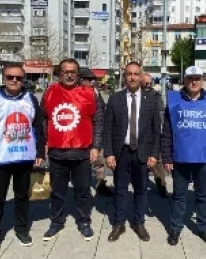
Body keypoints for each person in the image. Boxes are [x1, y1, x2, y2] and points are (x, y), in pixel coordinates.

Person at [0, 63, 46, 252]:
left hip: (24, 156)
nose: (14, 80)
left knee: (22, 196)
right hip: (1, 157)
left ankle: (22, 229)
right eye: (10, 77)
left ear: (24, 80)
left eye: (18, 78)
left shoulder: (30, 99)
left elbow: (38, 127)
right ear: (3, 78)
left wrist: (40, 152)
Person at [160, 65, 206, 246]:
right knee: (179, 196)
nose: (194, 81)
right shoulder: (174, 102)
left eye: (197, 78)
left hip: (205, 160)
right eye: (190, 78)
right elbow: (167, 132)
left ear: (202, 80)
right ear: (184, 81)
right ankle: (175, 228)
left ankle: (204, 228)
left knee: (203, 196)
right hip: (180, 159)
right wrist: (166, 157)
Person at [42, 58, 103, 240]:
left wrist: (96, 146)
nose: (69, 74)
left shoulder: (90, 93)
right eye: (65, 71)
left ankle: (84, 221)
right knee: (57, 190)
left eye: (73, 72)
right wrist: (45, 141)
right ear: (60, 74)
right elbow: (43, 119)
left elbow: (99, 120)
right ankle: (56, 221)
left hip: (81, 151)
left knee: (83, 190)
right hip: (57, 151)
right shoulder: (50, 92)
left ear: (78, 74)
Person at [103, 62, 162, 242]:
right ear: (124, 76)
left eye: (136, 74)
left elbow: (155, 130)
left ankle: (138, 222)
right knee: (120, 189)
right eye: (129, 74)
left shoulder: (151, 99)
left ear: (141, 75)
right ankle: (119, 224)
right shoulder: (115, 98)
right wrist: (109, 153)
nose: (132, 77)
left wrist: (154, 154)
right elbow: (108, 128)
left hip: (142, 152)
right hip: (121, 152)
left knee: (141, 190)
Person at [80, 67, 112, 197]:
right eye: (89, 79)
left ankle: (100, 184)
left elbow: (102, 110)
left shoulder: (95, 92)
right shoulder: (77, 93)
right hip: (82, 133)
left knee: (99, 161)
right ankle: (82, 186)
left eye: (93, 79)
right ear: (81, 80)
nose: (92, 81)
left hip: (97, 132)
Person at [142, 73, 169, 196]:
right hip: (140, 134)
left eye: (150, 83)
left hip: (154, 133)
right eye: (145, 83)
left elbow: (161, 112)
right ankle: (141, 185)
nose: (148, 85)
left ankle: (161, 184)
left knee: (157, 160)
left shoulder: (156, 96)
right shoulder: (136, 95)